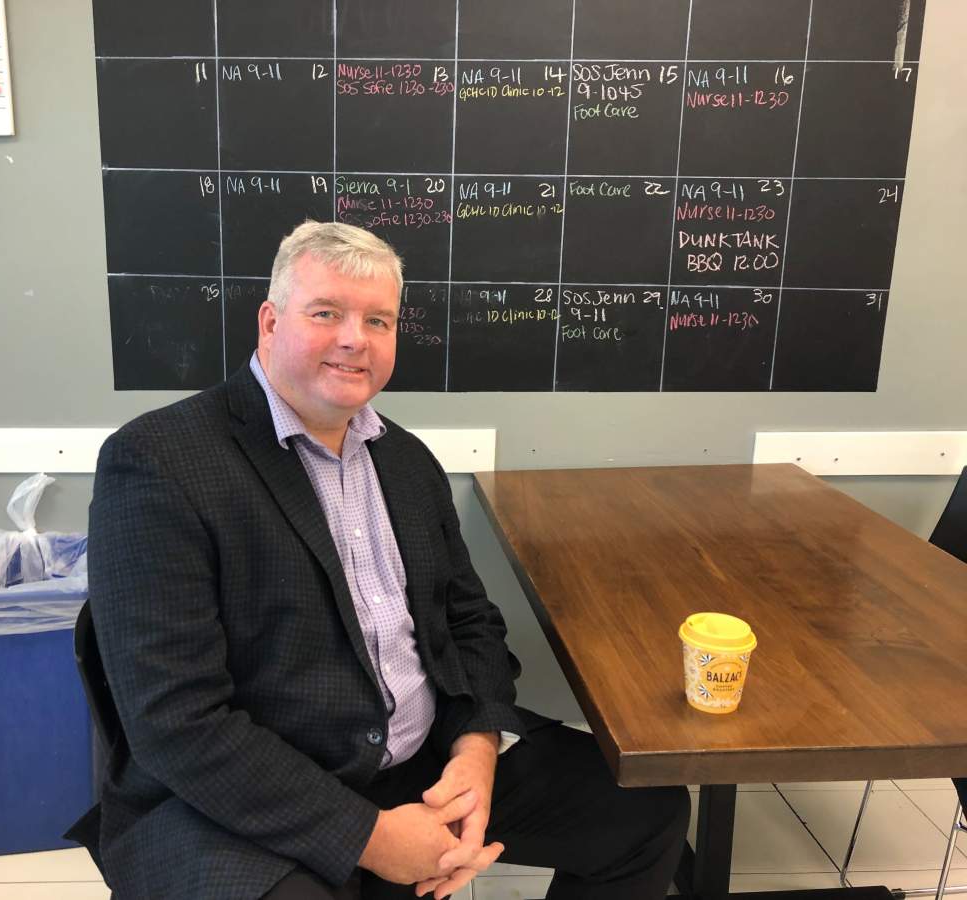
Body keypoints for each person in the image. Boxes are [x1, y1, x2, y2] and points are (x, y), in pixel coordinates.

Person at [68, 222, 689, 899]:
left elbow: (469, 622)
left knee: (644, 811)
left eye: (378, 320)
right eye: (326, 313)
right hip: (257, 793)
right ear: (270, 322)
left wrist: (476, 753)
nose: (353, 339)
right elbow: (175, 723)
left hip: (421, 757)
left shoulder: (405, 460)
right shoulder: (158, 462)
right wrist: (371, 837)